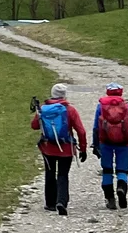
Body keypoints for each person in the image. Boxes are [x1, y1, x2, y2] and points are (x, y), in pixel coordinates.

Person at [31, 82, 87, 216]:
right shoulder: (70, 110)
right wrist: (83, 149)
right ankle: (61, 201)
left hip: (47, 148)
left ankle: (50, 203)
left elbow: (34, 126)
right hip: (66, 149)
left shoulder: (44, 108)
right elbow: (81, 131)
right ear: (64, 95)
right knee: (63, 175)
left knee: (50, 173)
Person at [91, 81, 128, 210]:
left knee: (107, 170)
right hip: (124, 143)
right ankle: (121, 188)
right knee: (122, 170)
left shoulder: (101, 107)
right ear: (121, 92)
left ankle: (110, 199)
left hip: (105, 142)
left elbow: (95, 128)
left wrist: (95, 145)